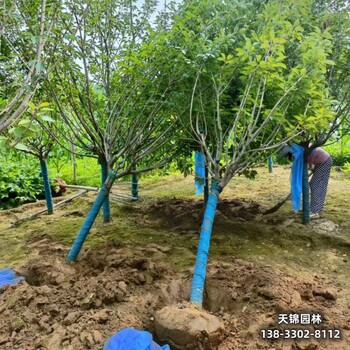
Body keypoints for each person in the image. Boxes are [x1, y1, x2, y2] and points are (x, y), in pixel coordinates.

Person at [278, 144, 332, 218]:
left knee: (316, 185)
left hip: (324, 162)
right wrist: (312, 167)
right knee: (317, 185)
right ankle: (317, 208)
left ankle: (315, 211)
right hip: (322, 161)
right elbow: (308, 159)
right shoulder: (300, 149)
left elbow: (305, 159)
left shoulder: (299, 151)